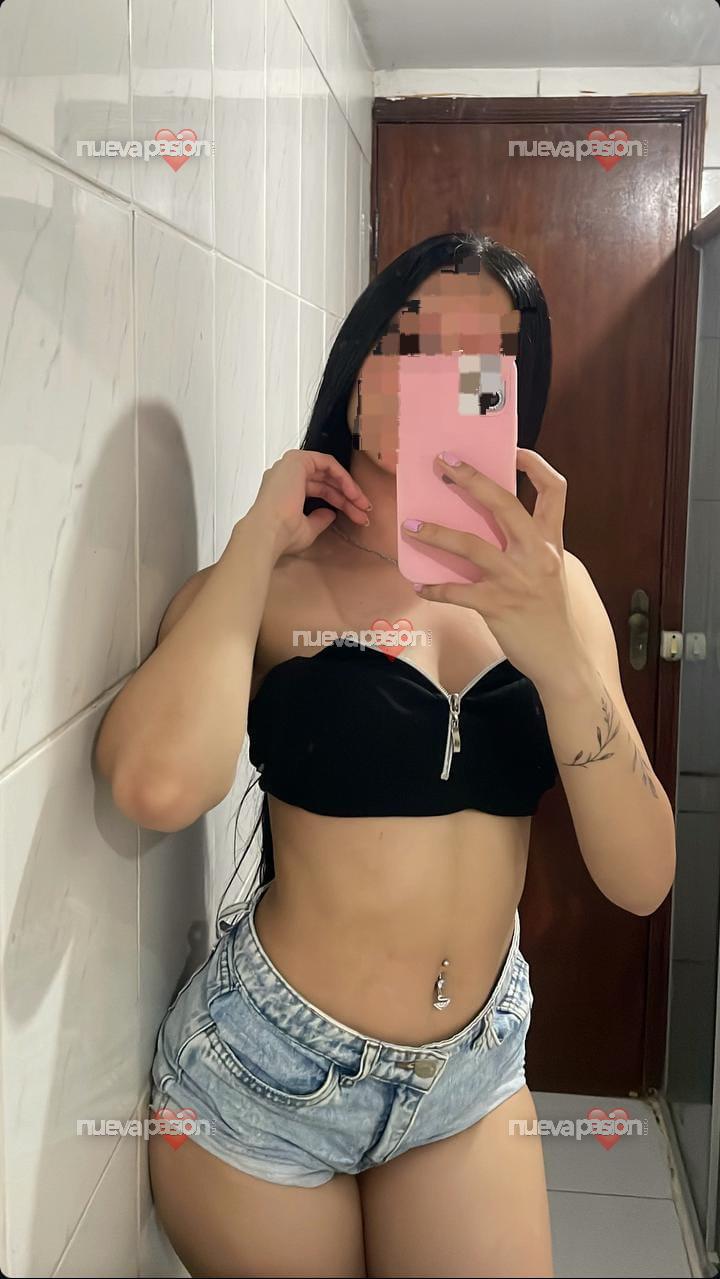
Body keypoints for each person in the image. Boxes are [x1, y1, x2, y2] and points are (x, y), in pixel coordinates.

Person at [95, 231, 676, 1278]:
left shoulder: (558, 591)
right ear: (357, 374)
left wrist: (553, 649)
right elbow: (153, 785)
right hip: (266, 1077)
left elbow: (643, 877)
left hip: (469, 1078)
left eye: (481, 362)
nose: (441, 381)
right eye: (412, 345)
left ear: (511, 401)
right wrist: (256, 540)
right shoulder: (277, 580)